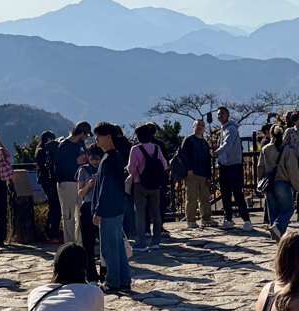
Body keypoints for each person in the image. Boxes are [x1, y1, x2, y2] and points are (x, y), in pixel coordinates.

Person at [90, 124, 131, 293]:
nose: (96, 139)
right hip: (117, 208)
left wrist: (98, 211)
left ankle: (112, 281)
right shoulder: (115, 156)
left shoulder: (108, 159)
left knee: (109, 248)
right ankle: (124, 279)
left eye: (98, 136)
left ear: (108, 136)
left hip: (109, 210)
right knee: (118, 246)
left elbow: (106, 188)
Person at [128, 122, 170, 251]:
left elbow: (131, 169)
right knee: (155, 212)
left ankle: (141, 243)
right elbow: (164, 165)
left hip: (140, 183)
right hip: (155, 184)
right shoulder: (156, 148)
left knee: (140, 214)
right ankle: (156, 241)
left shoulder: (135, 149)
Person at [258, 124, 299, 239]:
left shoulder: (265, 149)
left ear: (270, 134)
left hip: (269, 183)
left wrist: (260, 181)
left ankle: (276, 235)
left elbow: (260, 167)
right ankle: (277, 227)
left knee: (273, 211)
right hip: (282, 182)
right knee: (288, 209)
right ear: (282, 135)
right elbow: (292, 169)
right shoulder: (286, 150)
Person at [52, 123, 91, 246]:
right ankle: (70, 243)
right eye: (86, 135)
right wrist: (75, 162)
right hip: (66, 182)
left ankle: (80, 242)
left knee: (80, 213)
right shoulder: (63, 145)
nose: (86, 137)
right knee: (68, 214)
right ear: (81, 133)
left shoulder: (80, 144)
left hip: (80, 182)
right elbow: (58, 167)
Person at [215, 106, 251, 230]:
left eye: (222, 113)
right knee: (225, 193)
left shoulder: (231, 128)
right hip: (224, 165)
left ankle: (246, 220)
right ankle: (228, 218)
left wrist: (217, 152)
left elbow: (228, 144)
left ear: (228, 115)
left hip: (234, 165)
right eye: (218, 114)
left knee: (237, 193)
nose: (220, 115)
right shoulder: (222, 129)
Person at [179, 118, 213, 229]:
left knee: (205, 198)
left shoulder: (204, 143)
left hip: (203, 174)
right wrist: (188, 169)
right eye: (197, 125)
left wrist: (208, 176)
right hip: (191, 174)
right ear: (193, 127)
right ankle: (190, 220)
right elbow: (183, 155)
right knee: (191, 198)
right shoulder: (188, 140)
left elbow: (208, 160)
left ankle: (206, 218)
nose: (199, 127)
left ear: (204, 128)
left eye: (201, 125)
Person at [77, 146, 103, 268]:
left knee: (104, 241)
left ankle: (105, 270)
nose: (94, 162)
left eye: (97, 159)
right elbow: (80, 193)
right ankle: (90, 270)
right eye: (92, 159)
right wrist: (88, 185)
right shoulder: (83, 170)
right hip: (88, 205)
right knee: (88, 241)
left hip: (102, 206)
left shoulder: (104, 168)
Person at [36, 131, 64, 243]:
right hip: (49, 182)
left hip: (45, 181)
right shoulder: (43, 151)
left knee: (53, 207)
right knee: (56, 207)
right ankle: (52, 234)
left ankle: (49, 233)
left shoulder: (40, 150)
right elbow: (46, 166)